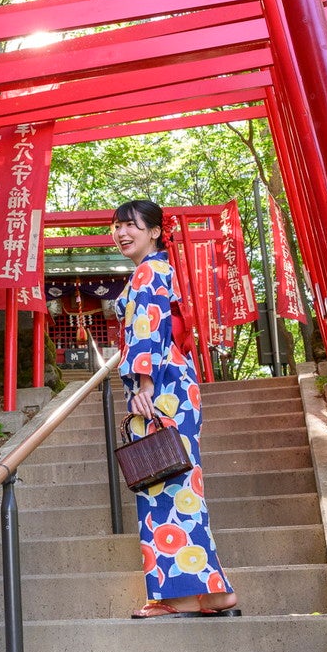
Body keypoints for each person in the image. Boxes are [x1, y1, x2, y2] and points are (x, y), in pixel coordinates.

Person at [111, 199, 240, 619]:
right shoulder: (159, 269)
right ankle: (213, 593)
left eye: (131, 225)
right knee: (181, 488)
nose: (121, 232)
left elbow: (147, 325)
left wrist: (142, 384)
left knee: (164, 487)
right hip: (176, 384)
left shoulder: (149, 271)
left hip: (161, 386)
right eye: (116, 226)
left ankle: (181, 596)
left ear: (154, 231)